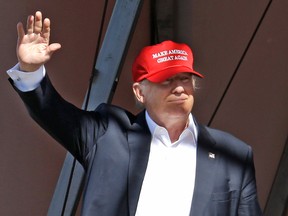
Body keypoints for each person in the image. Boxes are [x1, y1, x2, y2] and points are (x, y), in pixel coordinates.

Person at [7, 11, 262, 216]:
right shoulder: (108, 133)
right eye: (166, 80)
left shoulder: (234, 155)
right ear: (139, 93)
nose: (179, 87)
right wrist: (30, 70)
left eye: (185, 78)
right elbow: (52, 112)